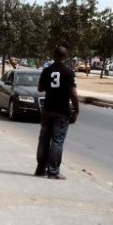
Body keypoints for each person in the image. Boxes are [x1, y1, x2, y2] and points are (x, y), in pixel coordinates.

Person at [35, 44, 79, 179]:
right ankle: (53, 171)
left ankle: (40, 169)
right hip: (62, 111)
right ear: (65, 57)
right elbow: (73, 94)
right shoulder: (69, 72)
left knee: (44, 139)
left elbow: (40, 89)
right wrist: (76, 110)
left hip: (48, 109)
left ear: (53, 56)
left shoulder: (47, 71)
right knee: (57, 141)